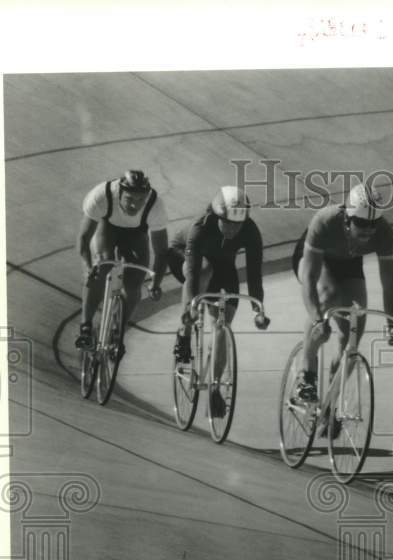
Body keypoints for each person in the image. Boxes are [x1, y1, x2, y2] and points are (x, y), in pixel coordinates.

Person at [291, 181, 393, 405]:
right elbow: (310, 278)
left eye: (373, 224)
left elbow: (390, 285)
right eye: (362, 223)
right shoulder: (325, 221)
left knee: (354, 329)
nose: (368, 230)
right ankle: (306, 375)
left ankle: (331, 404)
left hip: (349, 263)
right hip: (317, 259)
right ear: (347, 218)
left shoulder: (384, 234)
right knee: (327, 295)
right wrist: (317, 317)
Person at [169, 186, 270, 418]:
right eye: (228, 222)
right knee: (204, 270)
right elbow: (193, 273)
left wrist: (258, 309)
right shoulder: (200, 228)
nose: (234, 229)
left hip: (224, 266)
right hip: (185, 257)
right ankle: (184, 334)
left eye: (239, 224)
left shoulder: (251, 231)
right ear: (217, 216)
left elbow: (254, 274)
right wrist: (190, 307)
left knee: (222, 327)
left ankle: (215, 387)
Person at [75, 170, 168, 352]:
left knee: (134, 285)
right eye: (130, 199)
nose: (135, 205)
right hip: (107, 227)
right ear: (120, 193)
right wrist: (87, 268)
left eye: (140, 199)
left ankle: (117, 333)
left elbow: (161, 252)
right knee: (101, 265)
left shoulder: (155, 204)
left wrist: (156, 283)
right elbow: (83, 238)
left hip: (136, 234)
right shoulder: (101, 195)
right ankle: (85, 327)